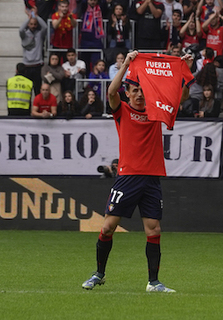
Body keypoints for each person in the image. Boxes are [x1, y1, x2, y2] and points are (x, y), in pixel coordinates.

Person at [81, 50, 193, 293]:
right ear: (128, 93)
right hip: (128, 177)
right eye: (135, 91)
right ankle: (99, 273)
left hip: (151, 178)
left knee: (154, 229)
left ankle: (153, 282)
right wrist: (127, 63)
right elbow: (110, 92)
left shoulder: (157, 110)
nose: (140, 94)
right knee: (108, 227)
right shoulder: (121, 110)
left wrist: (183, 70)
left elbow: (182, 96)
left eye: (143, 90)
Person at [20, 11, 48, 87]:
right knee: (27, 88)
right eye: (31, 24)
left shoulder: (40, 34)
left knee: (37, 88)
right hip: (27, 65)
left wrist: (36, 16)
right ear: (28, 24)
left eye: (35, 24)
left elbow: (45, 27)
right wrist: (29, 18)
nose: (33, 26)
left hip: (37, 65)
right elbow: (21, 30)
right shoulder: (24, 35)